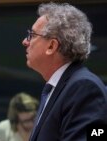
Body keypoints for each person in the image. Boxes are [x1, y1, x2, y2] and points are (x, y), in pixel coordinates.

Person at [21, 2, 107, 141]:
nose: (25, 41)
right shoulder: (58, 87)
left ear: (51, 46)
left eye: (32, 35)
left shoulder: (84, 88)